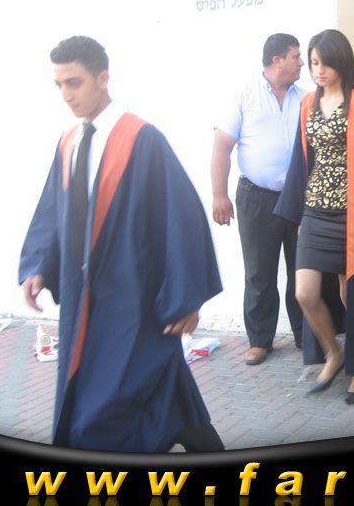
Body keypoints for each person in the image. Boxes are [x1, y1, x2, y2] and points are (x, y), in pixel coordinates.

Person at [19, 36, 223, 452]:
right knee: (152, 387)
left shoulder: (142, 139)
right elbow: (52, 212)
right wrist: (38, 265)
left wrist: (186, 297)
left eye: (74, 83)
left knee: (100, 415)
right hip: (84, 303)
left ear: (103, 78)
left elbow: (181, 218)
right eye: (59, 85)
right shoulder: (69, 144)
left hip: (133, 299)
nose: (66, 95)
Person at [274, 29, 354, 404]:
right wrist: (298, 212)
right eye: (313, 63)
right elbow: (303, 158)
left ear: (342, 62)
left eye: (326, 63)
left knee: (353, 296)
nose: (319, 70)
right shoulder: (308, 104)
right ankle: (334, 352)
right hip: (316, 212)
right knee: (304, 292)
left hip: (353, 215)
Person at [211, 33, 305, 366]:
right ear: (277, 60)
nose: (302, 63)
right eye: (296, 56)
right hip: (256, 198)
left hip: (298, 199)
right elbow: (222, 147)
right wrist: (219, 194)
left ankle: (305, 335)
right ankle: (260, 341)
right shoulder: (244, 96)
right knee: (259, 272)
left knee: (303, 269)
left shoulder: (306, 99)